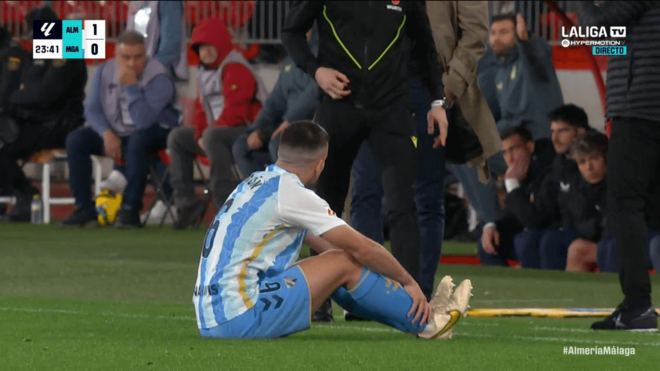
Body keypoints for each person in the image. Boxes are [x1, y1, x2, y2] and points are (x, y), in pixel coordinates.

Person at [193, 120, 472, 340]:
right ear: (320, 164)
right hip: (239, 316)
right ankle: (429, 324)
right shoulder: (292, 193)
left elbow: (337, 251)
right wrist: (409, 283)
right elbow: (361, 248)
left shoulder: (256, 182)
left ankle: (417, 315)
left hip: (212, 317)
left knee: (339, 262)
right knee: (343, 261)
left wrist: (386, 286)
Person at [281, 0, 449, 321]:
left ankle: (409, 305)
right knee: (325, 207)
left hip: (392, 110)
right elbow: (291, 32)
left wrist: (437, 101)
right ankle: (320, 300)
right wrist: (317, 71)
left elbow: (426, 49)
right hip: (337, 106)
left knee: (403, 204)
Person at [348, 0, 501, 303]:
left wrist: (448, 88)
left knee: (424, 197)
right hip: (371, 83)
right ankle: (369, 295)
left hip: (425, 86)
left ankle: (416, 296)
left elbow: (474, 34)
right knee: (366, 190)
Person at [579, 1, 660, 331]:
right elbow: (608, 41)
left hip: (640, 109)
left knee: (625, 205)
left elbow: (593, 29)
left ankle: (638, 305)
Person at [449, 12, 564, 232]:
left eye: (504, 32)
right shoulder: (499, 71)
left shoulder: (532, 60)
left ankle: (495, 223)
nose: (497, 38)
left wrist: (525, 39)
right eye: (493, 33)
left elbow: (537, 53)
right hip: (513, 146)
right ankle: (488, 221)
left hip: (541, 147)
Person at [61, 30, 179, 228]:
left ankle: (130, 209)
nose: (132, 63)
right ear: (116, 56)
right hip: (117, 133)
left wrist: (132, 86)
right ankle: (85, 209)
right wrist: (106, 134)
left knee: (139, 140)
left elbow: (144, 120)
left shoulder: (160, 77)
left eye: (138, 57)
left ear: (145, 55)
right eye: (126, 58)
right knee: (76, 140)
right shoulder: (105, 71)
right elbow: (91, 109)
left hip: (155, 133)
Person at [168, 18, 268, 230]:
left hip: (248, 131)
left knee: (213, 136)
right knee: (178, 137)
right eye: (200, 48)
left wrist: (207, 134)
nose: (205, 52)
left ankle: (226, 204)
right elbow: (201, 109)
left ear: (221, 42)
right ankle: (186, 203)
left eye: (209, 45)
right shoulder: (205, 72)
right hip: (217, 135)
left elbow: (236, 113)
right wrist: (199, 135)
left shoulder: (235, 66)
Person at [0, 6, 87, 222]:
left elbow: (45, 94)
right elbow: (31, 87)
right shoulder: (42, 52)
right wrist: (24, 95)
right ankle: (19, 196)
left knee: (3, 151)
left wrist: (16, 97)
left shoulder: (70, 45)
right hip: (35, 119)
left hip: (60, 123)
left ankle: (25, 196)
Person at [232, 27, 319, 178]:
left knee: (279, 144)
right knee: (242, 146)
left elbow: (315, 93)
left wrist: (289, 120)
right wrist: (256, 129)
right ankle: (260, 199)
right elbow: (274, 102)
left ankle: (289, 199)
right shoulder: (290, 60)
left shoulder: (324, 57)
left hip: (312, 126)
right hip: (285, 127)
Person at [478, 126, 555, 267]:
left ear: (530, 147)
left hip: (546, 236)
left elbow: (533, 221)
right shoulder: (515, 175)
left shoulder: (545, 173)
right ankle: (502, 287)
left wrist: (513, 185)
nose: (510, 158)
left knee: (526, 240)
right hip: (531, 236)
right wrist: (492, 226)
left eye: (514, 149)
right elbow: (512, 216)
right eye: (505, 153)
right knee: (488, 241)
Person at [564, 132, 609, 272]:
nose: (589, 167)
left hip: (629, 244)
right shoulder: (579, 188)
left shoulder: (620, 182)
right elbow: (580, 226)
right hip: (603, 243)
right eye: (582, 162)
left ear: (606, 157)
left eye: (594, 158)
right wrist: (600, 224)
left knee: (578, 249)